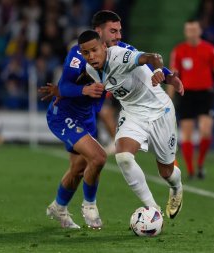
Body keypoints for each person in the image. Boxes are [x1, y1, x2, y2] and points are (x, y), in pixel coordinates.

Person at [39, 10, 182, 229]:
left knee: (78, 168)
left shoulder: (119, 51)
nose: (118, 35)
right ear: (98, 32)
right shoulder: (79, 55)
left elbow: (146, 59)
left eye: (119, 31)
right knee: (98, 157)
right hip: (66, 115)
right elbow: (64, 86)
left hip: (88, 116)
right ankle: (90, 206)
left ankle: (59, 207)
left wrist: (169, 75)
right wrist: (84, 89)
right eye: (112, 31)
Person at [78, 30, 184, 219]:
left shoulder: (120, 55)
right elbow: (83, 82)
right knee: (124, 157)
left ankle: (176, 188)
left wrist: (160, 72)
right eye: (86, 53)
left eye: (94, 50)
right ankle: (154, 210)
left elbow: (153, 58)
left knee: (166, 172)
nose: (91, 56)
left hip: (160, 111)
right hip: (132, 113)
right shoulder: (90, 70)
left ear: (104, 46)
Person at [168, 19, 214, 180]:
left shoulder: (210, 49)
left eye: (194, 29)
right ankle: (190, 170)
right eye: (189, 30)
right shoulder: (179, 50)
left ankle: (201, 164)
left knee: (205, 130)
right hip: (186, 94)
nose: (192, 32)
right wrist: (168, 98)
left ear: (199, 31)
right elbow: (173, 76)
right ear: (185, 32)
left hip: (205, 94)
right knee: (187, 133)